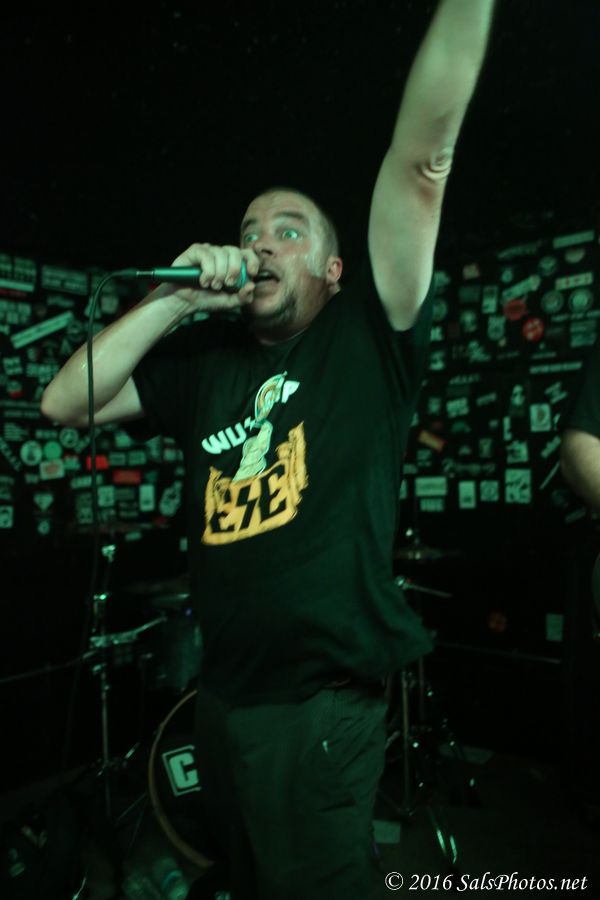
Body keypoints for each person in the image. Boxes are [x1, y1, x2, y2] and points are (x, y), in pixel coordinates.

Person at [41, 2, 497, 897]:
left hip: (322, 703)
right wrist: (175, 300)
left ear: (332, 269)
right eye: (250, 230)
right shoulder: (204, 365)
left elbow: (420, 163)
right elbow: (65, 403)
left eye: (288, 230)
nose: (259, 243)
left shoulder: (367, 334)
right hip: (221, 698)